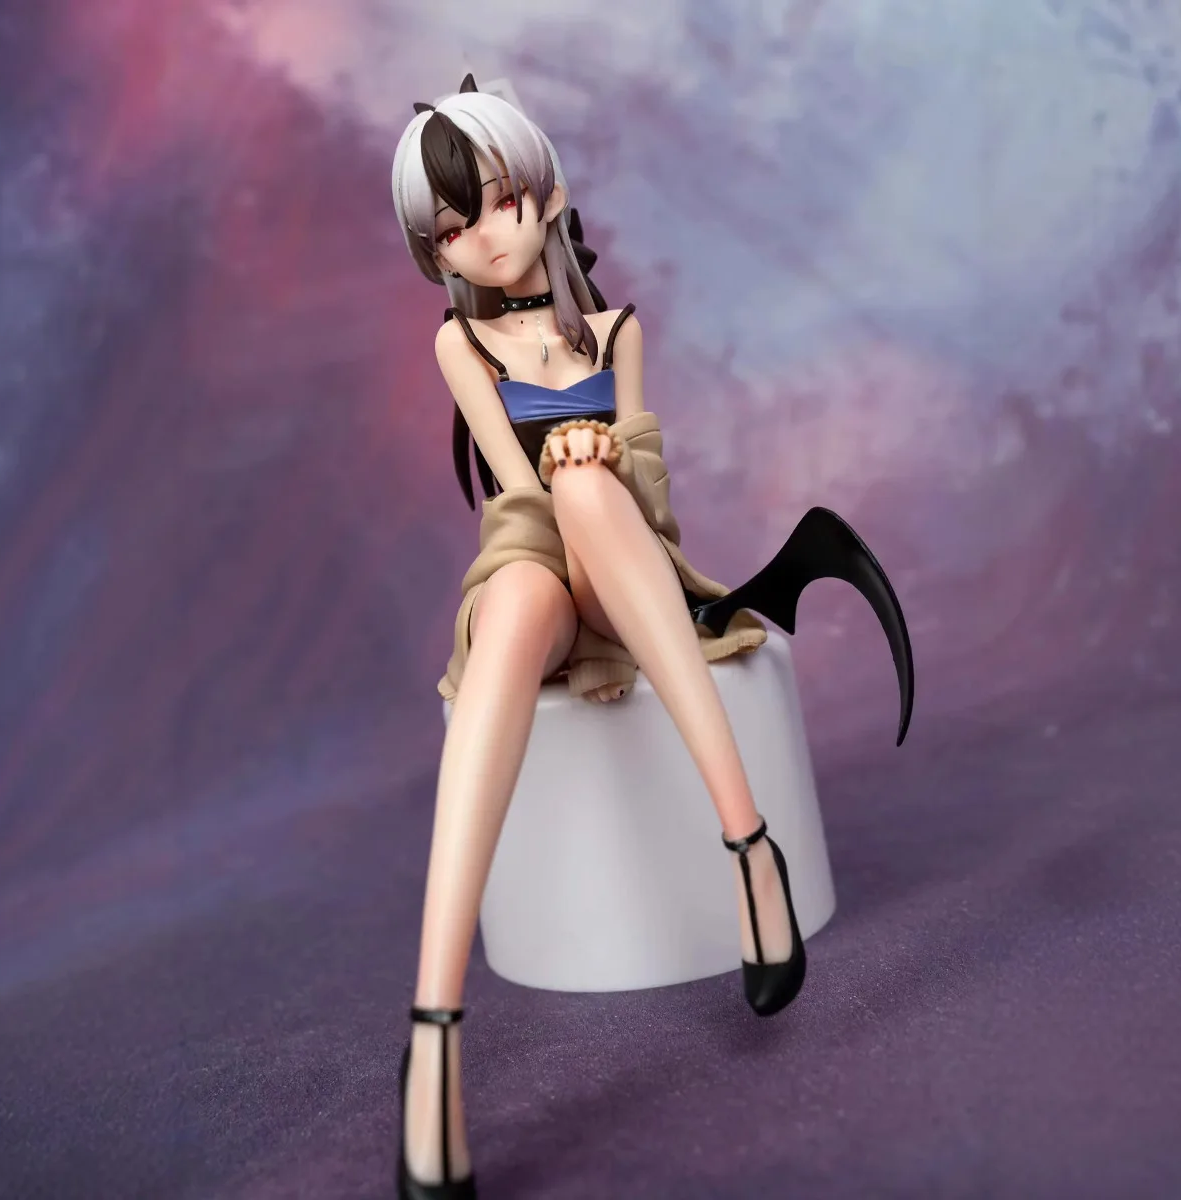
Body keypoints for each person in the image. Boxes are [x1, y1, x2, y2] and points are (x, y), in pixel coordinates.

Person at [391, 75, 808, 1199]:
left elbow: (652, 513)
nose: (483, 238)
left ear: (548, 191)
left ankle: (747, 845)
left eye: (495, 202)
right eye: (451, 228)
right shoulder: (461, 345)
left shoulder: (618, 333)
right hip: (531, 558)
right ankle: (434, 1027)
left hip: (625, 562)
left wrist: (604, 460)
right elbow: (512, 501)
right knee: (516, 594)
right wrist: (564, 470)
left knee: (587, 488)